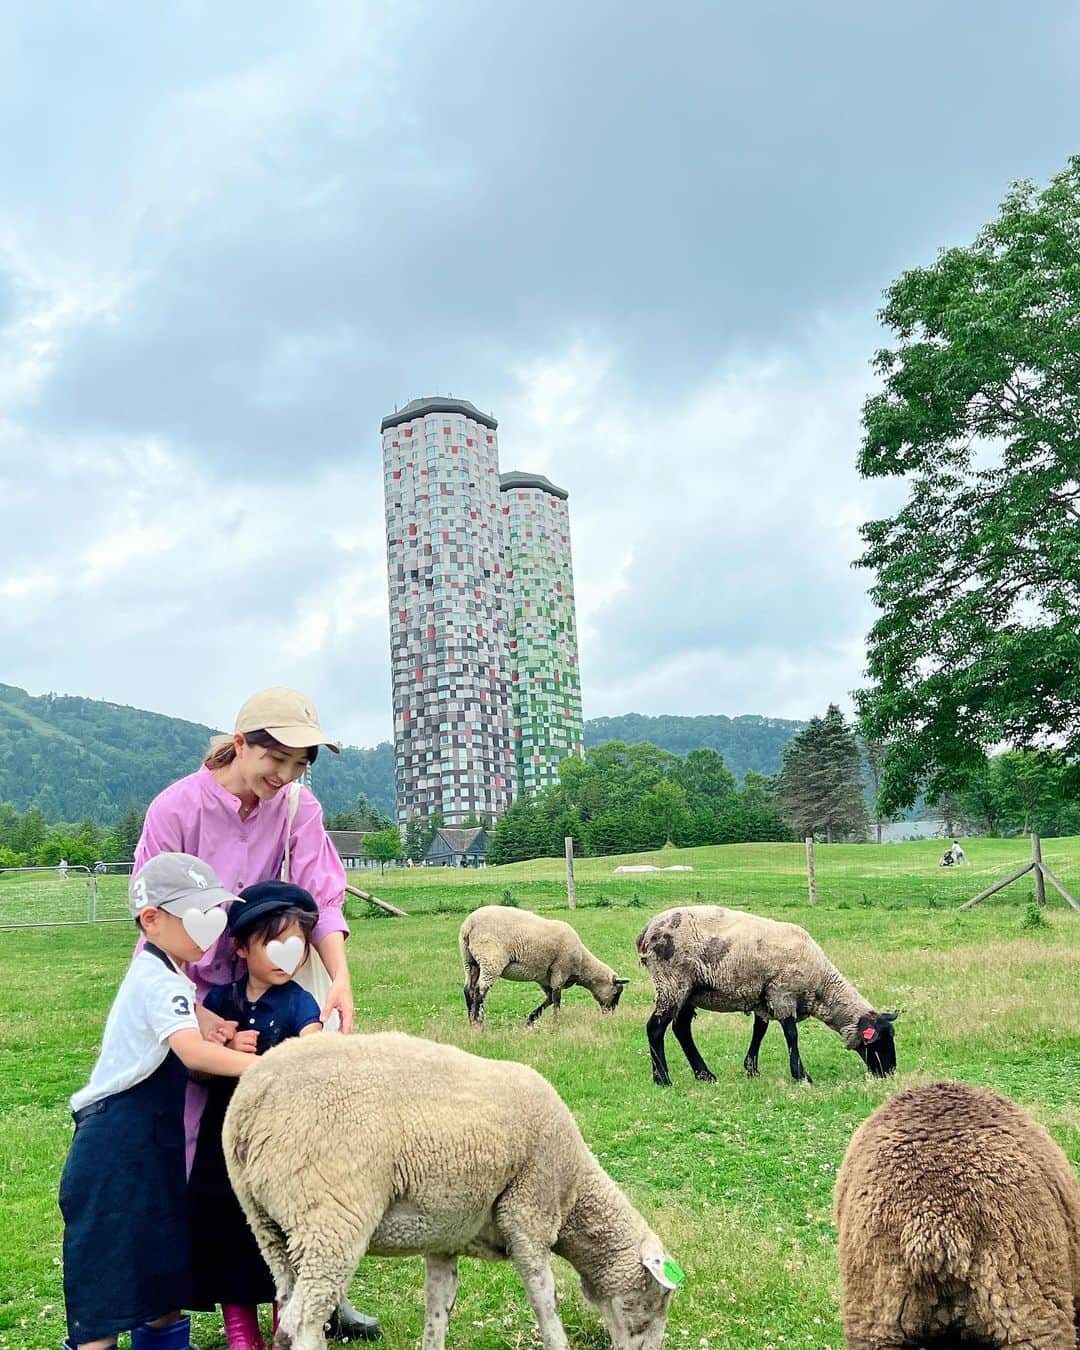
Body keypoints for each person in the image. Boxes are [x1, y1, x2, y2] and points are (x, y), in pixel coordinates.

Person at [133, 687, 378, 1342]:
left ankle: (321, 1288)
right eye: (278, 760)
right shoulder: (176, 810)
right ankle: (186, 1292)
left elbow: (323, 896)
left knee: (305, 1133)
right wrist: (190, 1011)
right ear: (240, 744)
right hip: (195, 986)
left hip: (274, 980)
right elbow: (153, 919)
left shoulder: (296, 805)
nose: (285, 777)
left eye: (300, 765)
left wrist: (341, 981)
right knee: (192, 1141)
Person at [58, 854, 257, 1350]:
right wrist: (266, 1068)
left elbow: (186, 1019)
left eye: (215, 912)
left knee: (163, 1255)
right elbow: (190, 1052)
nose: (211, 928)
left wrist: (210, 1022)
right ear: (153, 920)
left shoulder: (167, 975)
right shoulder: (159, 981)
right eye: (197, 915)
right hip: (115, 1139)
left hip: (151, 1139)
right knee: (108, 1265)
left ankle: (165, 1337)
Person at [189, 882, 324, 1350]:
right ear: (242, 948)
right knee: (229, 1230)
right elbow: (197, 1069)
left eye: (298, 944)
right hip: (225, 1140)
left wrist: (289, 1051)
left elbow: (313, 1054)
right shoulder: (219, 1005)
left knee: (284, 1228)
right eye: (274, 943)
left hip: (282, 1141)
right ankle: (240, 1331)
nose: (289, 955)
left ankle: (286, 1321)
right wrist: (221, 1045)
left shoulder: (300, 1004)